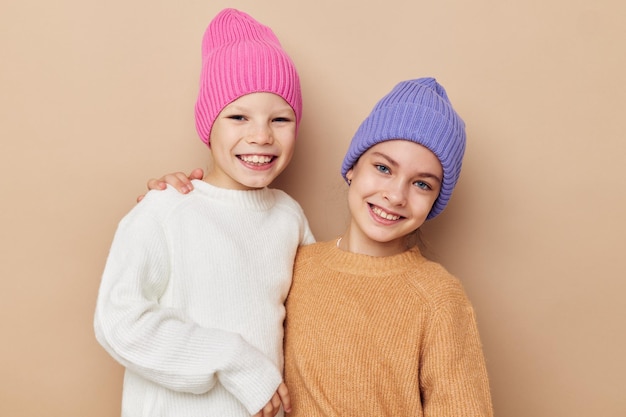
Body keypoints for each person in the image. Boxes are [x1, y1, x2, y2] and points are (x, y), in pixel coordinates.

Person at [147, 78, 493, 416]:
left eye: (421, 184)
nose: (396, 195)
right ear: (352, 169)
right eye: (383, 168)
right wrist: (185, 202)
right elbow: (216, 302)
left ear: (435, 201)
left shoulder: (438, 298)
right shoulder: (294, 262)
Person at [94, 8, 314, 417]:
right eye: (238, 116)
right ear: (208, 123)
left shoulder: (290, 218)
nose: (261, 135)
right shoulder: (167, 208)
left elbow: (315, 326)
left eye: (280, 119)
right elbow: (118, 320)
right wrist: (232, 358)